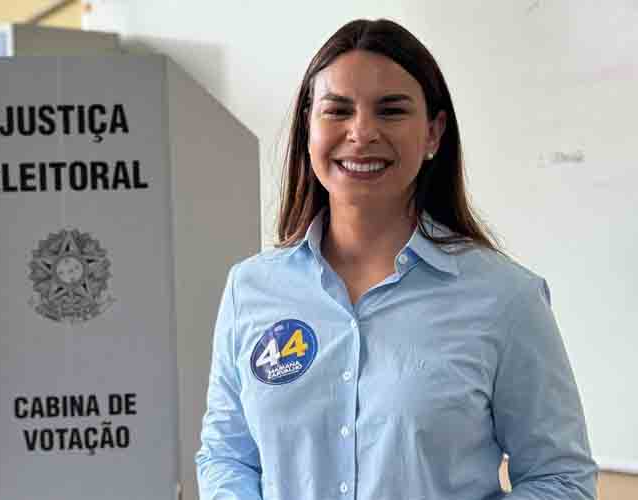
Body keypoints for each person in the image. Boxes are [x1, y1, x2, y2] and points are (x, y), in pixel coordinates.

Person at [195, 18, 596, 500]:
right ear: (307, 127)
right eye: (337, 110)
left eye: (391, 111)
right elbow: (226, 456)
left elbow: (561, 479)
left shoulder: (505, 297)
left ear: (433, 133)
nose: (361, 133)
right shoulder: (250, 289)